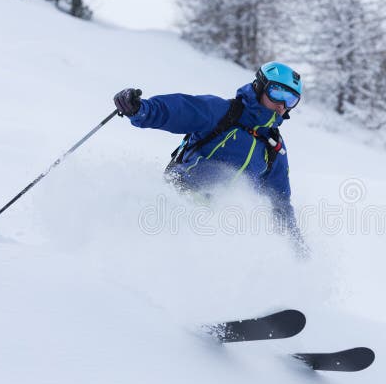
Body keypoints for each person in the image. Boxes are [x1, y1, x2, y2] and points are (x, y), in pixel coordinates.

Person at [113, 61, 307, 256]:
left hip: (215, 228)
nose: (282, 105)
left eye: (291, 100)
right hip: (176, 199)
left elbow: (280, 202)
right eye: (278, 93)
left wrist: (295, 245)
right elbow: (177, 110)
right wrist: (139, 109)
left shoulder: (272, 147)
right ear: (260, 86)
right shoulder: (222, 112)